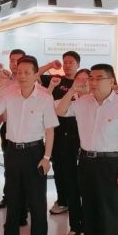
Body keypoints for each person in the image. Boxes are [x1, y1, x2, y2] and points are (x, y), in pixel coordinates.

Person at [56, 64, 118, 235]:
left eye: (98, 78)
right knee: (89, 211)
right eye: (90, 78)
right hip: (86, 162)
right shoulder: (82, 102)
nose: (92, 82)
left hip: (110, 164)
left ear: (111, 81)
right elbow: (60, 110)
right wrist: (73, 89)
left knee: (108, 212)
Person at [0, 55, 59, 235]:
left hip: (35, 152)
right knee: (13, 200)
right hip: (13, 152)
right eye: (19, 72)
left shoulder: (44, 97)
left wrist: (47, 157)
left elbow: (50, 130)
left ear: (36, 74)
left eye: (27, 72)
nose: (23, 76)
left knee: (37, 204)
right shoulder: (9, 93)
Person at [47, 68, 91, 235]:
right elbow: (54, 108)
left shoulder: (95, 102)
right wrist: (71, 91)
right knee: (71, 186)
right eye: (79, 80)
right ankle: (75, 226)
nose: (82, 83)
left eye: (86, 80)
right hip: (67, 147)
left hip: (88, 149)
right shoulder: (69, 100)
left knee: (86, 189)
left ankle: (87, 226)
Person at [42, 51, 82, 215]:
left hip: (78, 133)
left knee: (73, 170)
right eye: (65, 62)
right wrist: (51, 65)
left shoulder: (83, 83)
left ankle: (74, 202)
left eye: (71, 62)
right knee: (59, 168)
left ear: (78, 64)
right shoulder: (56, 80)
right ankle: (62, 200)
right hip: (57, 132)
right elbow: (35, 75)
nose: (67, 65)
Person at [0, 48, 26, 210]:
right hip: (8, 128)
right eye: (12, 60)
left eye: (18, 61)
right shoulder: (4, 81)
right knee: (9, 166)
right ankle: (8, 197)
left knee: (26, 168)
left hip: (26, 130)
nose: (14, 64)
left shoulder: (31, 81)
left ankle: (26, 201)